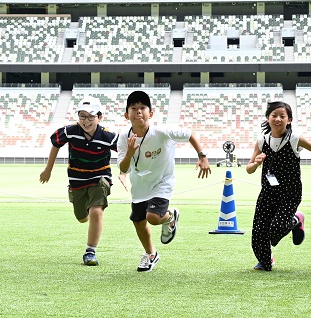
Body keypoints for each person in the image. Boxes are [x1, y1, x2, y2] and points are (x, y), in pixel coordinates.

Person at [117, 90, 211, 272]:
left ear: (150, 113)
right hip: (140, 184)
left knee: (152, 217)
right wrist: (129, 153)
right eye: (133, 108)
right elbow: (123, 169)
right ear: (126, 114)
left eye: (142, 108)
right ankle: (151, 254)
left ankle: (170, 216)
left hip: (162, 181)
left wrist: (202, 155)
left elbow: (189, 134)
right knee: (138, 221)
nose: (138, 111)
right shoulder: (123, 137)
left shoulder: (161, 132)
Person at [246, 101, 311, 271]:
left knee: (276, 229)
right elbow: (248, 169)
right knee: (258, 231)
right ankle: (265, 260)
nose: (278, 119)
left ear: (289, 120)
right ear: (267, 118)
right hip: (268, 193)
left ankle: (296, 220)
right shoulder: (262, 141)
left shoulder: (294, 139)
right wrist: (255, 164)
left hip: (290, 193)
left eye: (282, 116)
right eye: (274, 115)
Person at [39, 96, 118, 266]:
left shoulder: (108, 136)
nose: (86, 121)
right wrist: (48, 169)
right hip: (77, 180)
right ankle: (91, 218)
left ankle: (90, 251)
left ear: (99, 117)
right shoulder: (70, 131)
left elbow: (127, 151)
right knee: (82, 218)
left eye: (91, 116)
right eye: (82, 116)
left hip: (100, 177)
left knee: (96, 211)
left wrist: (126, 172)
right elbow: (56, 144)